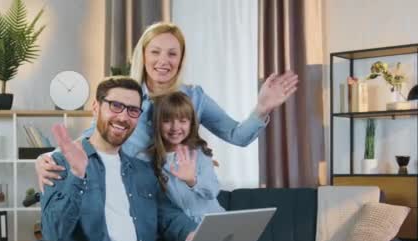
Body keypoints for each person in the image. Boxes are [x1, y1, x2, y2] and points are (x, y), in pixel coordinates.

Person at [42, 76, 255, 241]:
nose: (123, 117)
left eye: (133, 110)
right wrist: (78, 176)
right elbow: (53, 233)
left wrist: (189, 234)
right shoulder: (63, 163)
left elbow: (169, 216)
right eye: (115, 106)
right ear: (96, 107)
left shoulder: (141, 170)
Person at [36, 22, 298, 189]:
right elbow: (92, 139)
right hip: (134, 196)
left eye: (172, 53)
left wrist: (262, 107)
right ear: (144, 55)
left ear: (181, 58)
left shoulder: (195, 97)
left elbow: (237, 135)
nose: (164, 61)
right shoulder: (126, 97)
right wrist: (46, 157)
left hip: (179, 197)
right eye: (155, 52)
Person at [147, 91, 224, 223]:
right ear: (157, 123)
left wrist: (192, 180)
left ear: (191, 124)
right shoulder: (150, 159)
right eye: (167, 121)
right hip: (181, 229)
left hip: (214, 222)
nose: (175, 127)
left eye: (183, 121)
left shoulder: (199, 153)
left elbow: (212, 191)